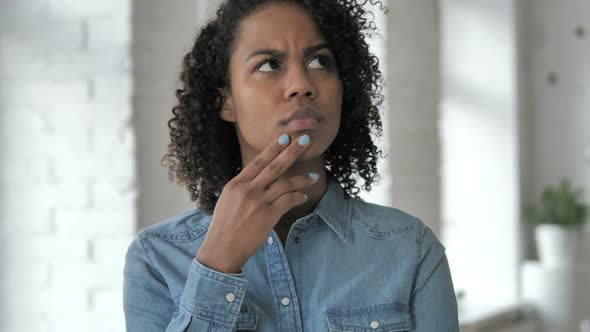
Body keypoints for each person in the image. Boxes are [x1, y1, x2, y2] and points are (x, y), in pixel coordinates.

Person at [123, 0, 459, 331]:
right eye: (269, 64)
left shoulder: (410, 250)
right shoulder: (157, 259)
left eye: (319, 61)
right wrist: (217, 266)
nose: (302, 85)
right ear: (225, 101)